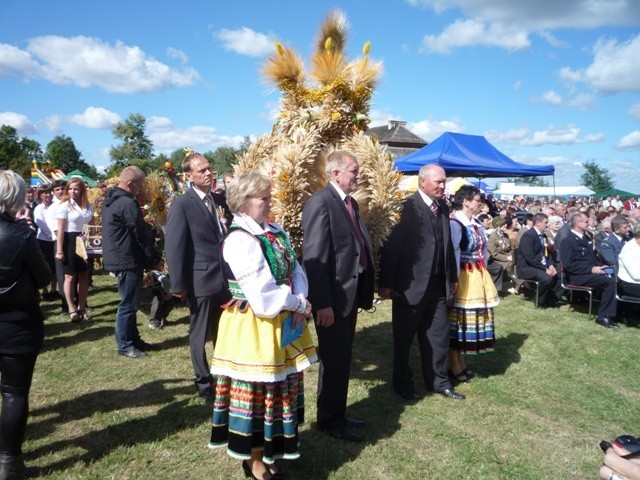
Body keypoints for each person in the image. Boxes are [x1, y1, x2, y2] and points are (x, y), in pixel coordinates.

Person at [209, 172, 317, 480]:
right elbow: (262, 294)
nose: (269, 203)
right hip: (254, 323)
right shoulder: (239, 240)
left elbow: (296, 268)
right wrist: (298, 305)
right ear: (243, 204)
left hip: (281, 319)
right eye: (263, 198)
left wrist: (300, 297)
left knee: (279, 389)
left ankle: (270, 452)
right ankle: (254, 462)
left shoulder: (274, 230)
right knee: (258, 392)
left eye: (269, 196)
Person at [302, 150, 374, 441]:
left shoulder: (349, 203)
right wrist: (323, 303)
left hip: (350, 295)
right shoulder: (320, 203)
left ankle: (339, 413)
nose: (358, 176)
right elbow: (315, 258)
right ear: (336, 174)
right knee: (333, 359)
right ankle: (329, 420)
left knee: (343, 357)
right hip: (332, 299)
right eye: (354, 171)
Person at [379, 164, 464, 401]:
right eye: (438, 181)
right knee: (404, 340)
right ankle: (402, 384)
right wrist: (387, 282)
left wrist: (452, 277)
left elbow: (447, 245)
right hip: (409, 287)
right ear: (422, 182)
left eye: (444, 181)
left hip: (437, 286)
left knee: (438, 335)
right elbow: (392, 248)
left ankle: (439, 382)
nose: (442, 186)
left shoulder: (443, 208)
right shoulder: (407, 208)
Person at [165, 151, 231, 402]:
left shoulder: (217, 200)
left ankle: (223, 374)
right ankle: (204, 382)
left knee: (222, 331)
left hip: (222, 279)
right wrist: (178, 284)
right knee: (199, 333)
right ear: (189, 176)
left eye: (209, 168)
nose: (208, 173)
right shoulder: (183, 204)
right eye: (201, 170)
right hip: (200, 280)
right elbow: (174, 246)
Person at [0, 170, 51, 479]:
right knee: (14, 393)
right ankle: (9, 463)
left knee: (13, 393)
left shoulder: (21, 233)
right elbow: (45, 278)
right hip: (16, 323)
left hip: (15, 321)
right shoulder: (20, 234)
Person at [102, 166, 160, 358]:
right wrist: (154, 258)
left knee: (131, 302)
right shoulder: (126, 203)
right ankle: (125, 344)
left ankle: (133, 339)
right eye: (140, 185)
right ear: (130, 184)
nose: (141, 190)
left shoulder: (111, 201)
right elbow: (139, 233)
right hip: (127, 259)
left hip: (120, 256)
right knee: (128, 304)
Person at [447, 186, 499, 384]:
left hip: (476, 275)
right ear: (466, 201)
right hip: (462, 276)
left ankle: (461, 362)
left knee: (468, 320)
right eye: (477, 200)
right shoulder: (455, 223)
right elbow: (452, 253)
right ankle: (454, 364)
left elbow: (483, 252)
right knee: (457, 321)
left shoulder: (475, 223)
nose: (480, 203)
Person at [560, 213, 618, 328]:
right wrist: (591, 269)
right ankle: (603, 316)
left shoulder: (586, 237)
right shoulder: (568, 240)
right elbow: (568, 265)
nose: (589, 223)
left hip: (589, 272)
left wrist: (602, 266)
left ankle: (619, 311)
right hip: (577, 276)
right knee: (609, 282)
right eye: (586, 221)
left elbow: (592, 257)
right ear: (578, 223)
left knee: (615, 275)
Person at [55, 178, 93, 322]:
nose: (73, 191)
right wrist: (59, 250)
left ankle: (82, 307)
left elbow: (91, 225)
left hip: (84, 242)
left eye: (76, 189)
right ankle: (71, 308)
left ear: (82, 190)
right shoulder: (64, 206)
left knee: (84, 275)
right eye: (70, 189)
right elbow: (60, 230)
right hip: (69, 241)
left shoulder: (88, 206)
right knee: (70, 277)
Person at [516, 213, 565, 308]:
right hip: (527, 267)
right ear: (538, 223)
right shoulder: (528, 236)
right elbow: (529, 258)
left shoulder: (543, 236)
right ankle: (539, 302)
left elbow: (547, 254)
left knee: (560, 275)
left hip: (540, 265)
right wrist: (545, 269)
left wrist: (550, 266)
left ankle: (552, 299)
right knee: (547, 279)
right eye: (545, 222)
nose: (547, 225)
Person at [32, 185, 57, 299]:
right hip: (43, 239)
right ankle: (45, 290)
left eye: (49, 192)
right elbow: (40, 223)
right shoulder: (38, 208)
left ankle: (53, 289)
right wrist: (53, 233)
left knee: (55, 265)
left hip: (55, 238)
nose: (48, 195)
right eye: (45, 193)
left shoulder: (57, 205)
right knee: (45, 265)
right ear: (40, 195)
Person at [144, 258, 175, 331]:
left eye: (162, 265)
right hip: (145, 293)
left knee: (169, 301)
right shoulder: (156, 275)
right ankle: (154, 321)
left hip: (156, 291)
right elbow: (165, 283)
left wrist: (168, 295)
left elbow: (166, 285)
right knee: (157, 298)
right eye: (159, 265)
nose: (161, 267)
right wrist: (169, 294)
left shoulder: (161, 275)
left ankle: (160, 318)